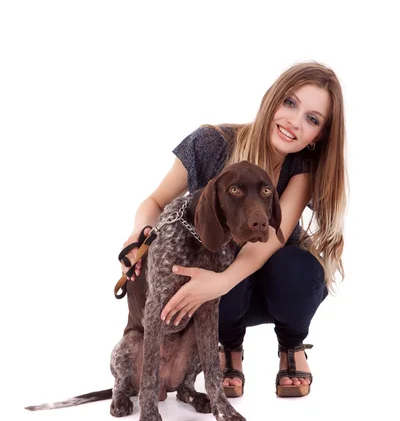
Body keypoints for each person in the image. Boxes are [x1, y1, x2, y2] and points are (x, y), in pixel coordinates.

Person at [120, 61, 347, 398]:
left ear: (320, 134)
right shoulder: (211, 142)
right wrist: (141, 234)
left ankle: (291, 345)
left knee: (297, 268)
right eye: (290, 103)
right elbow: (154, 201)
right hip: (220, 294)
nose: (294, 123)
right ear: (272, 98)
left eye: (312, 119)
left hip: (268, 287)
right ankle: (229, 347)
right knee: (211, 260)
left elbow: (268, 242)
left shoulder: (303, 169)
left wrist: (219, 283)